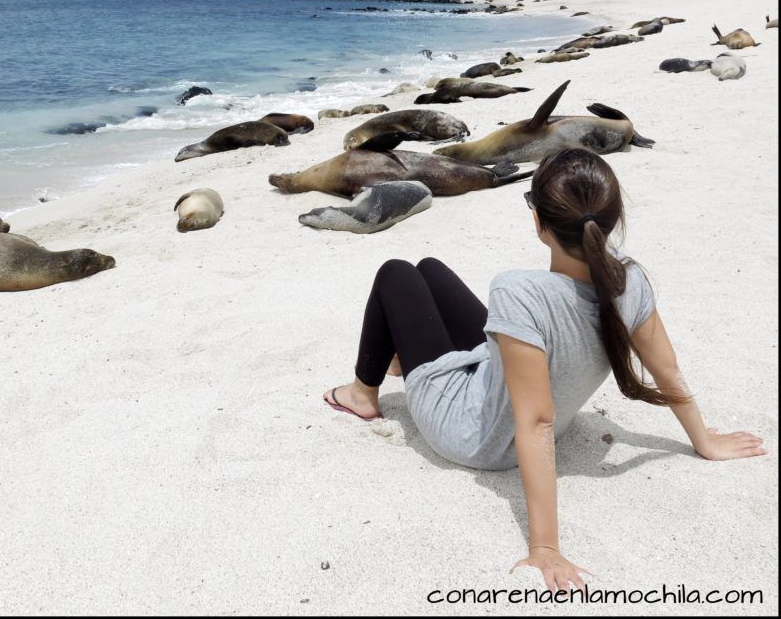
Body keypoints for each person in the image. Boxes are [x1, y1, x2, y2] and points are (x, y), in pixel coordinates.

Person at [323, 148, 766, 592]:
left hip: (471, 434)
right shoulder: (628, 282)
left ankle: (363, 393)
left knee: (397, 272)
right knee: (431, 269)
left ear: (540, 224)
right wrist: (704, 440)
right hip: (498, 385)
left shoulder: (519, 291)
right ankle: (403, 353)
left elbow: (536, 421)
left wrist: (547, 548)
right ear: (612, 219)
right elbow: (667, 370)